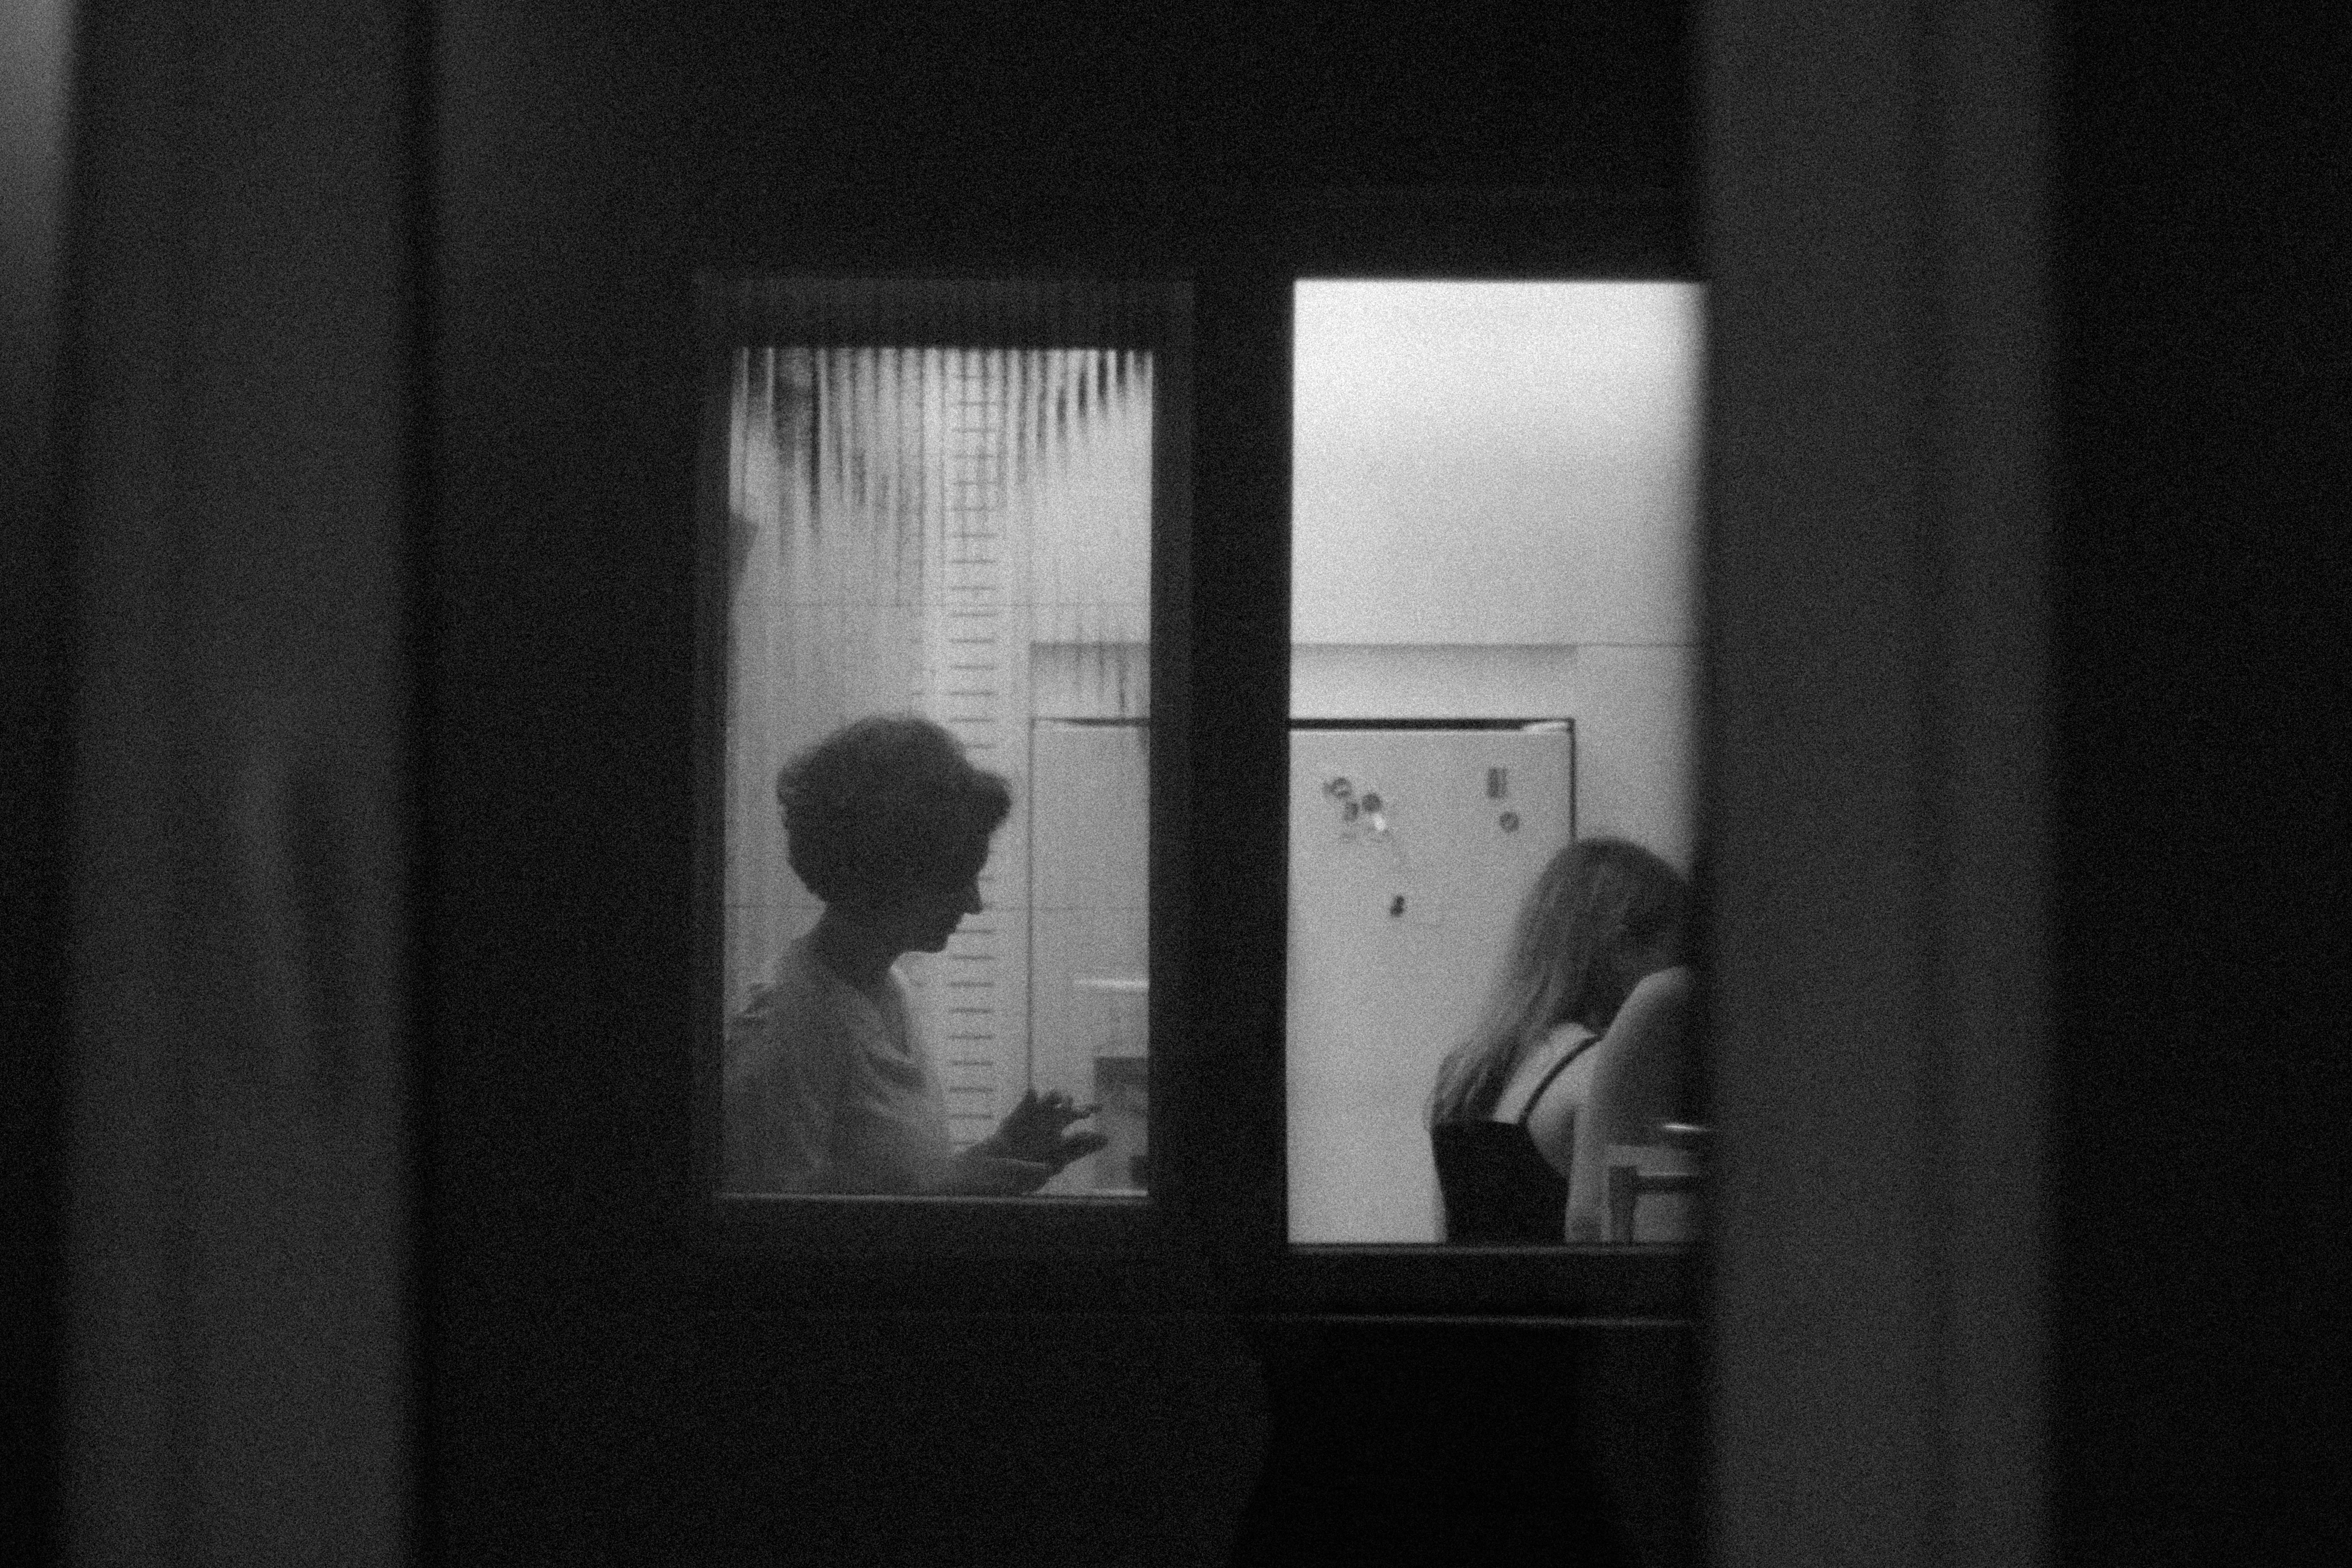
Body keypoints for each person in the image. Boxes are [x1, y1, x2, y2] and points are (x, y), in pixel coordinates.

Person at [724, 714, 1108, 1194]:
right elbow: (769, 1225)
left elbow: (889, 1187)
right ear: (884, 873)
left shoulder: (889, 989)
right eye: (956, 878)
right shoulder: (786, 1026)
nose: (974, 903)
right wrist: (955, 1189)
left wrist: (999, 1151)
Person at [1427, 836, 1695, 1243]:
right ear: (1622, 947)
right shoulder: (1599, 1071)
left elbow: (1447, 1233)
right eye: (1677, 952)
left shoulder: (1466, 1070)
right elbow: (1609, 1235)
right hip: (1566, 1286)